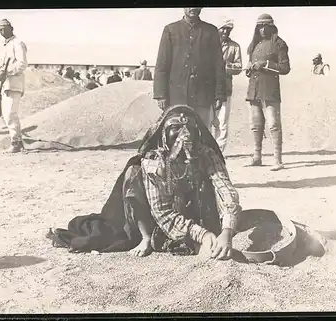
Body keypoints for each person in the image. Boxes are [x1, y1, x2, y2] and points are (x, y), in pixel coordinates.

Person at [47, 105, 241, 261]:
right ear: (164, 133)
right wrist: (203, 235)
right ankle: (146, 237)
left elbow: (225, 189)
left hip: (190, 210)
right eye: (175, 128)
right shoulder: (153, 161)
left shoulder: (206, 154)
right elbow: (162, 212)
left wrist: (227, 231)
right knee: (133, 172)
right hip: (157, 217)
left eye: (189, 127)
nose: (184, 134)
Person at [153, 8, 227, 129]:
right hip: (176, 96)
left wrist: (219, 94)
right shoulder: (170, 30)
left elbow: (218, 65)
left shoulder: (211, 31)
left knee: (201, 135)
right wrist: (161, 94)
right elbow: (162, 64)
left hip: (203, 95)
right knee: (176, 135)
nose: (193, 7)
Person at [245, 13, 291, 171]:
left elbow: (285, 68)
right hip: (254, 90)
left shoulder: (279, 44)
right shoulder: (254, 45)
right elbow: (249, 70)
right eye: (260, 26)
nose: (263, 29)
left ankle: (277, 160)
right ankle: (257, 157)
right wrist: (250, 68)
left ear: (272, 27)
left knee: (273, 125)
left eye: (266, 26)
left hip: (270, 90)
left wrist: (266, 63)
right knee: (256, 126)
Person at [0, 19, 28, 153]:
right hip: (4, 85)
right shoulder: (3, 46)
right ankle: (17, 142)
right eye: (0, 29)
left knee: (10, 114)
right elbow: (1, 67)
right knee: (7, 115)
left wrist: (7, 72)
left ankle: (16, 143)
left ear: (11, 28)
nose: (2, 31)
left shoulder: (18, 43)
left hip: (14, 84)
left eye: (4, 28)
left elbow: (22, 64)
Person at [212, 19, 242, 153]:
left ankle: (219, 151)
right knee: (208, 120)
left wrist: (225, 66)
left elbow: (238, 67)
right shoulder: (208, 45)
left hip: (225, 88)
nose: (225, 31)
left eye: (228, 29)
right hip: (208, 88)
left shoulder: (235, 47)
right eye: (222, 28)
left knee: (222, 121)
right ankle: (208, 150)